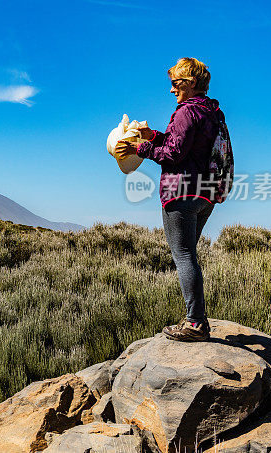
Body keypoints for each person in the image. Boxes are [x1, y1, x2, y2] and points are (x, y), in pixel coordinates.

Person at [115, 57, 223, 342]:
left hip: (182, 192)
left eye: (176, 84)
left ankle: (195, 323)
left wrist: (142, 147)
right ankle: (196, 318)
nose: (172, 90)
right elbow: (184, 144)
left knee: (184, 255)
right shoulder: (211, 111)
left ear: (190, 84)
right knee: (190, 254)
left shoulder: (186, 111)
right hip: (206, 193)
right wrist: (154, 136)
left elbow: (174, 154)